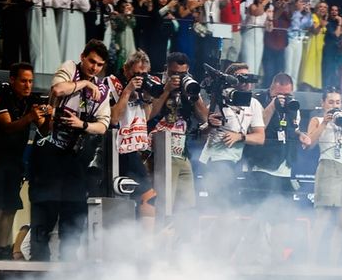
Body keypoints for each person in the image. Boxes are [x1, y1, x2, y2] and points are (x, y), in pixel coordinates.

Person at [28, 40, 112, 261]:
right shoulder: (70, 68)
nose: (94, 68)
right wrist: (85, 84)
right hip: (49, 151)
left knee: (74, 211)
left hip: (75, 157)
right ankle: (39, 264)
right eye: (91, 61)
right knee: (45, 210)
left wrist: (83, 125)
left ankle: (69, 265)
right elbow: (57, 89)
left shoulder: (103, 89)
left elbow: (103, 125)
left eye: (99, 65)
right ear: (83, 56)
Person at [0, 63, 49, 260]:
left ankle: (2, 248)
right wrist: (30, 117)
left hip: (15, 162)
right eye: (23, 81)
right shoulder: (2, 96)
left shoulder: (30, 101)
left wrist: (47, 116)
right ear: (12, 79)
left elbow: (45, 130)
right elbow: (8, 126)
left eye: (31, 81)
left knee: (10, 207)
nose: (28, 85)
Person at [148, 52, 209, 227]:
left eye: (182, 74)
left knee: (186, 205)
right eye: (174, 73)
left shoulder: (190, 87)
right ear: (167, 69)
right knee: (164, 204)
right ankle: (159, 241)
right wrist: (166, 90)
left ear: (187, 70)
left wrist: (194, 95)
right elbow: (149, 114)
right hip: (160, 148)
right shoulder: (156, 84)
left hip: (182, 151)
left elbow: (205, 118)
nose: (178, 77)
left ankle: (180, 244)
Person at [301, 90, 342, 265]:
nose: (335, 106)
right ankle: (311, 260)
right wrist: (325, 123)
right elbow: (309, 144)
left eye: (338, 102)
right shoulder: (316, 120)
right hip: (327, 166)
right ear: (323, 103)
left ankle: (333, 261)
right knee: (323, 218)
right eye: (331, 102)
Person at [199, 62, 266, 209]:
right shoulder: (219, 99)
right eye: (241, 78)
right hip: (215, 160)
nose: (246, 82)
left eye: (248, 78)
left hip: (235, 161)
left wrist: (240, 137)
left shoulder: (253, 103)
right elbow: (201, 135)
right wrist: (210, 125)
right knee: (219, 206)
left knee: (233, 207)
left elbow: (260, 137)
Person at [107, 50, 156, 223]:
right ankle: (146, 243)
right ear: (126, 70)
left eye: (144, 74)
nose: (141, 78)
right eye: (137, 74)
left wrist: (148, 98)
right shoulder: (113, 83)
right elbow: (113, 118)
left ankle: (138, 240)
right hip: (115, 150)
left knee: (135, 199)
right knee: (147, 196)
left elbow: (146, 117)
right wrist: (127, 91)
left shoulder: (146, 87)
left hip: (135, 148)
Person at [244, 73, 301, 208]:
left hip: (284, 167)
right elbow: (257, 129)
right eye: (278, 95)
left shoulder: (293, 104)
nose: (283, 98)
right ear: (270, 90)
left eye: (287, 95)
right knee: (259, 211)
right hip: (262, 166)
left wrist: (301, 135)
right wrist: (273, 105)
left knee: (282, 214)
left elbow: (294, 128)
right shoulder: (256, 101)